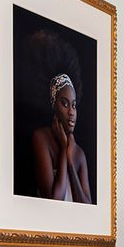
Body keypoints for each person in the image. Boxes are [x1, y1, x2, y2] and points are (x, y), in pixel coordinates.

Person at [32, 72, 93, 203]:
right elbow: (54, 200)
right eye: (65, 104)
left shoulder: (79, 153)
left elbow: (87, 207)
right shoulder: (41, 139)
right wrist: (63, 149)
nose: (71, 112)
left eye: (74, 105)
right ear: (54, 105)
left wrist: (70, 163)